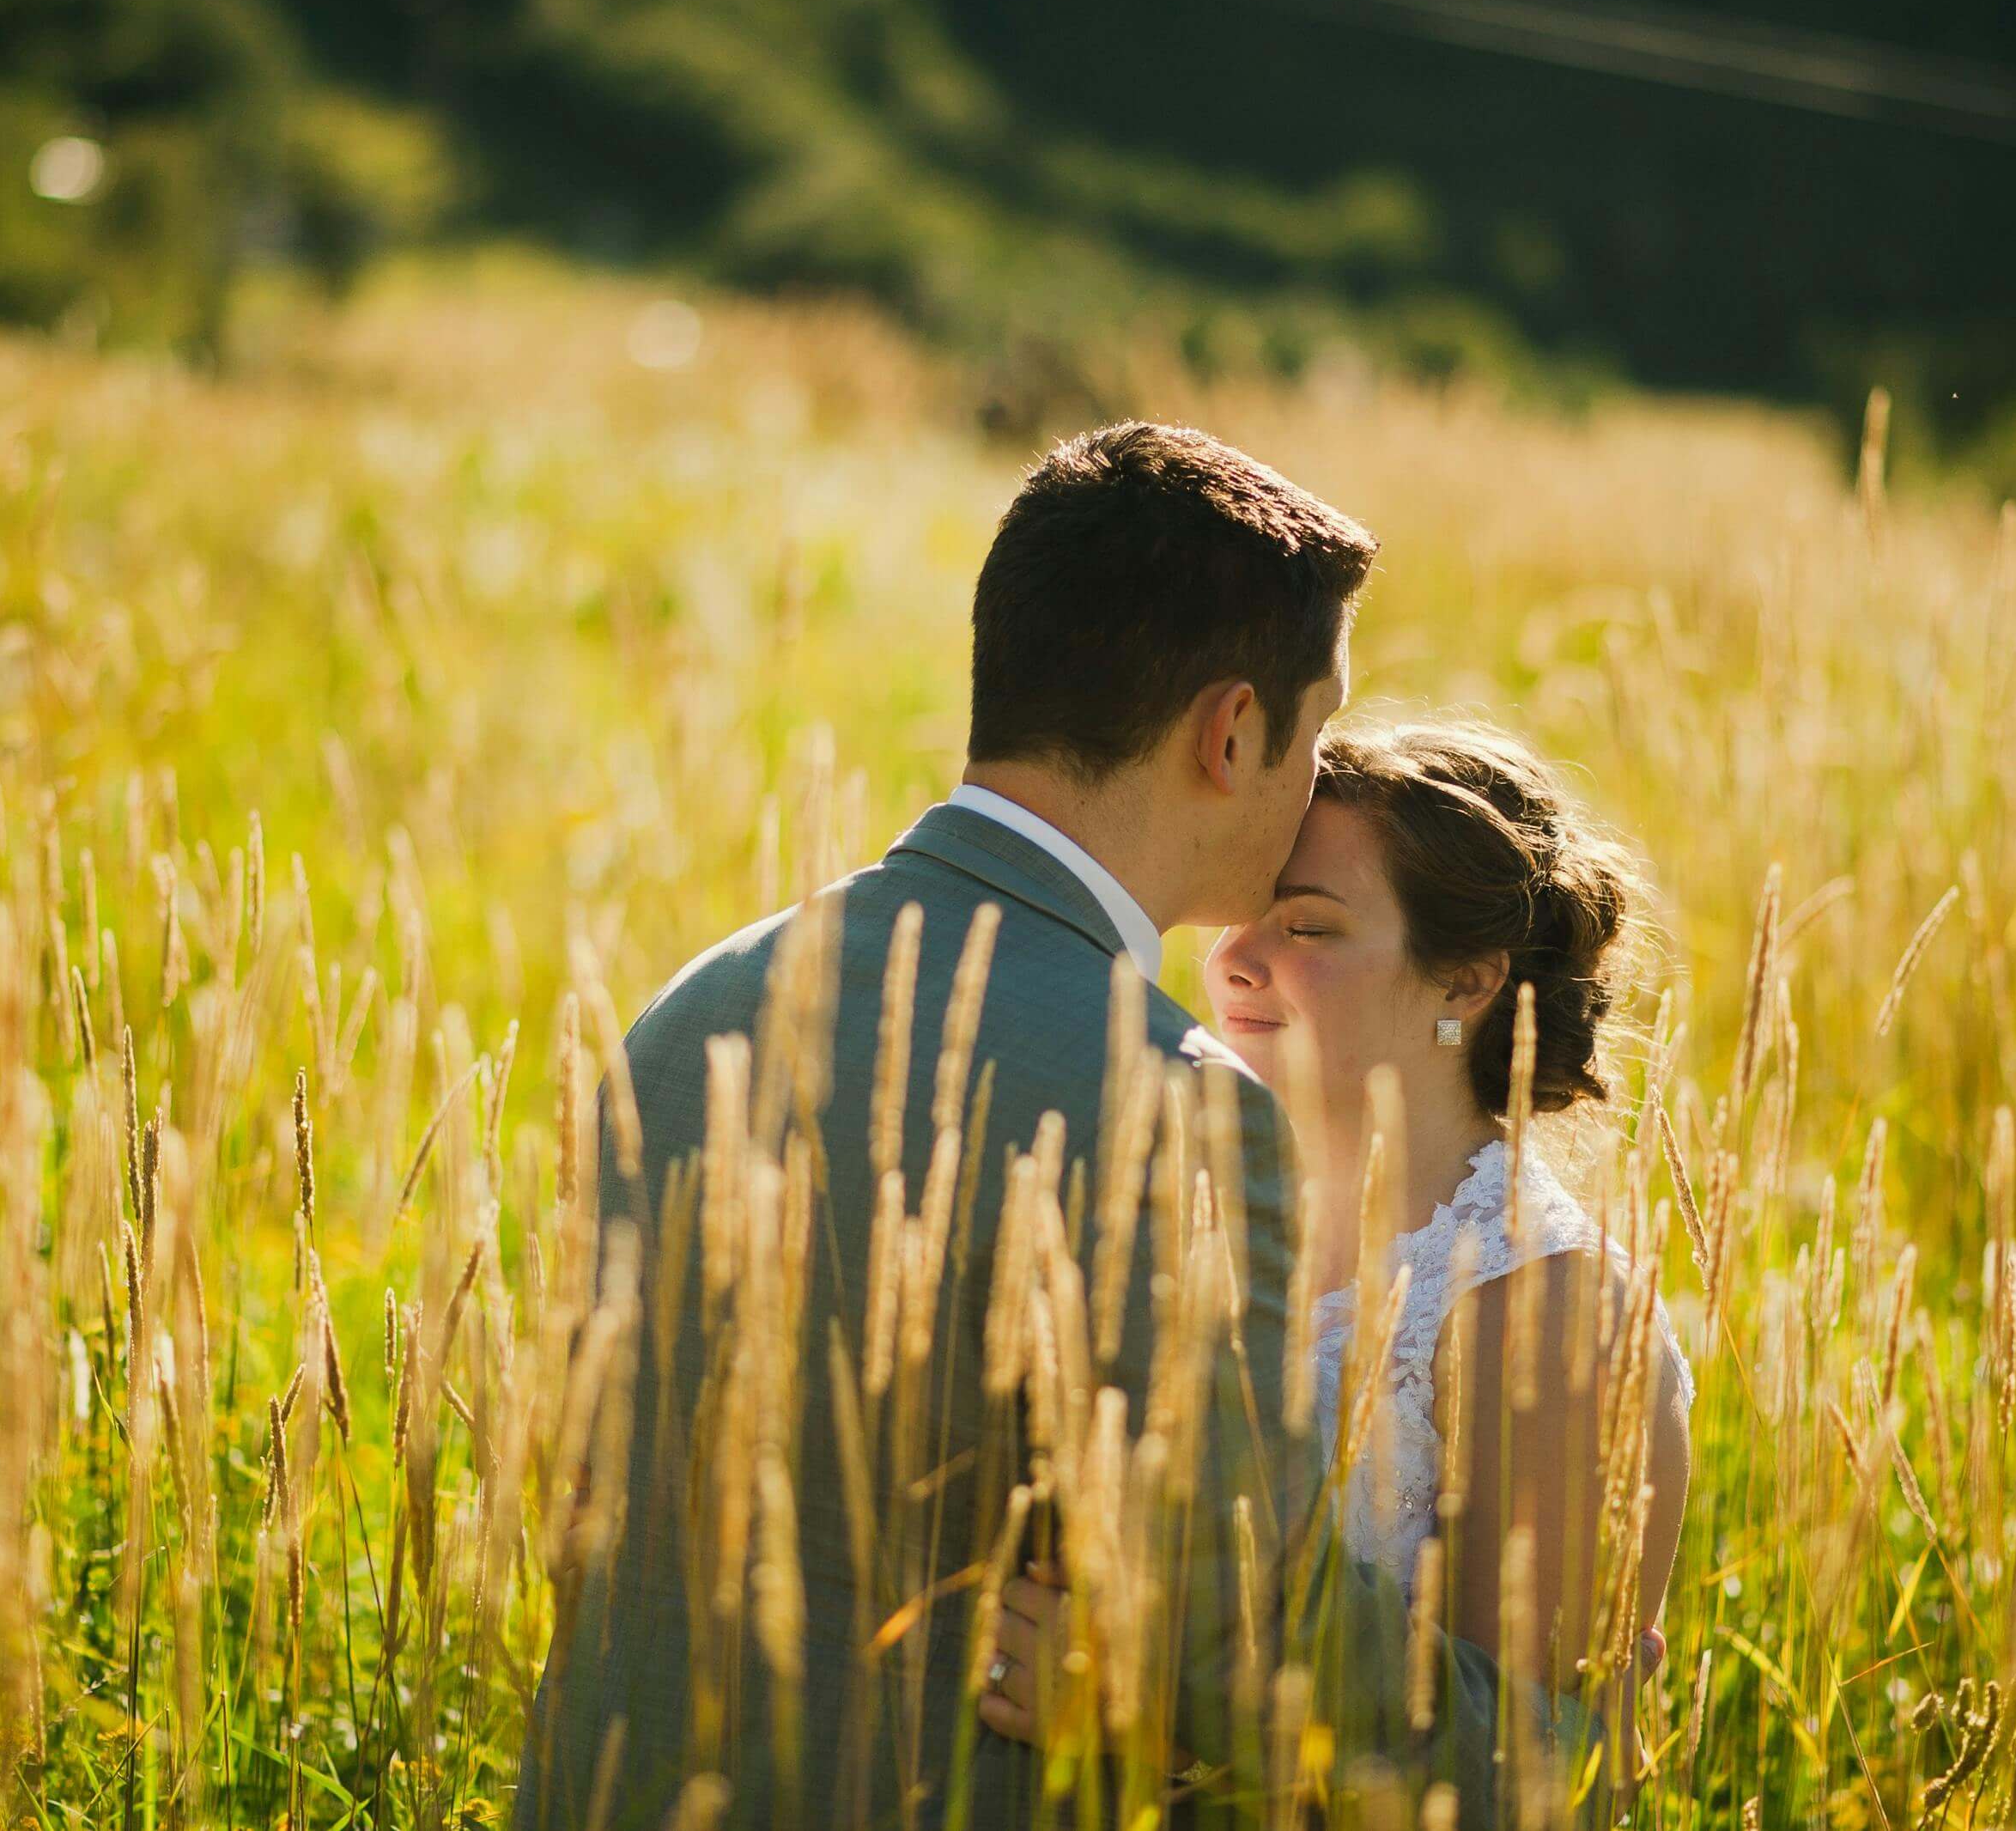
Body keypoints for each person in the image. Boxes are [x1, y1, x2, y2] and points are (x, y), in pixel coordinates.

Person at [512, 423, 1522, 1828]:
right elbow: (1236, 1630)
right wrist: (1537, 1737)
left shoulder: (698, 1005)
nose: (1314, 784)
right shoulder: (1165, 1104)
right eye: (1316, 731)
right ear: (1231, 733)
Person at [980, 719, 1695, 1806]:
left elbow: (1526, 1780)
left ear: (1464, 983)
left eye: (1306, 927)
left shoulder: (1549, 1310)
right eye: (1237, 918)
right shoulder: (1171, 1215)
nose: (1230, 959)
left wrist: (1152, 1730)